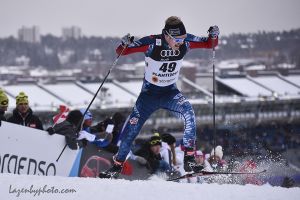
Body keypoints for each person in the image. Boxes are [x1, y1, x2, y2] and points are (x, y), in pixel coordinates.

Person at [99, 16, 219, 178]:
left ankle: (189, 158)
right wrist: (124, 43)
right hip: (148, 97)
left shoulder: (187, 41)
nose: (180, 43)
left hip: (170, 93)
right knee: (130, 132)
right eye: (177, 39)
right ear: (167, 36)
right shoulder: (151, 43)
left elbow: (209, 44)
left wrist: (213, 36)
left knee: (189, 113)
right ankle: (117, 165)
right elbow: (122, 51)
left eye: (182, 39)